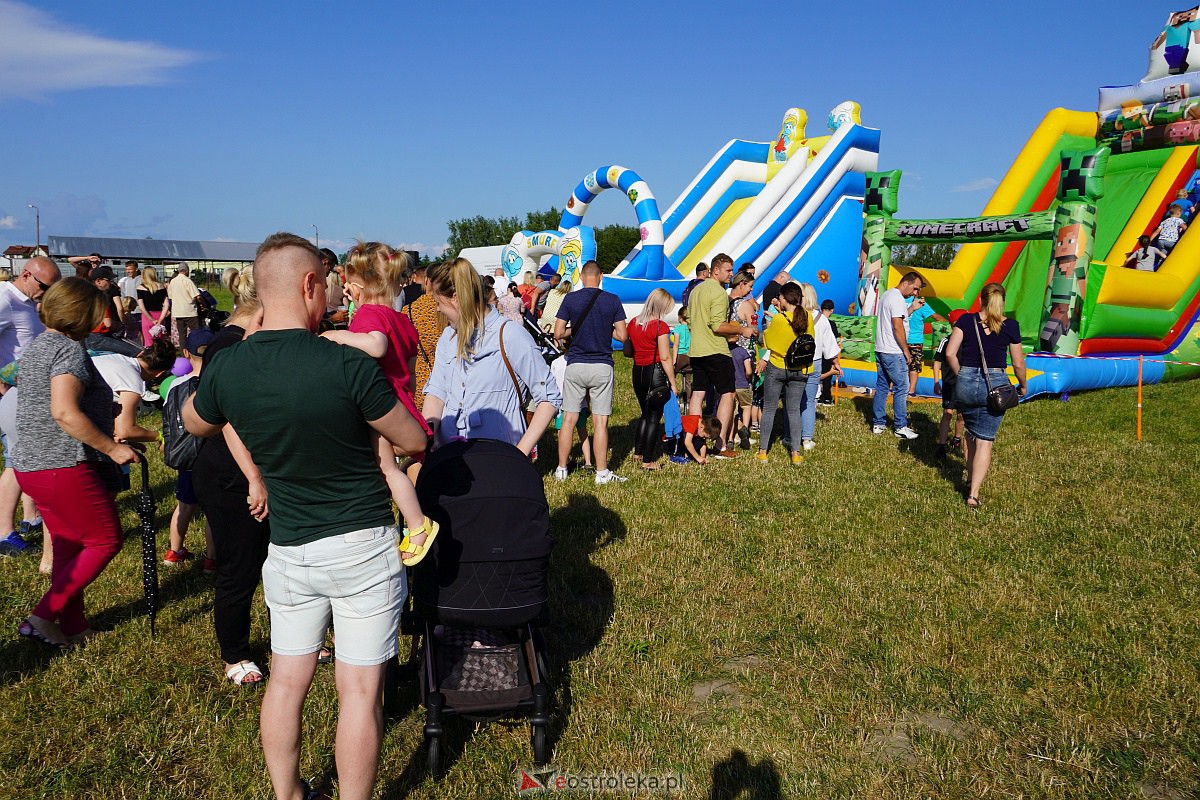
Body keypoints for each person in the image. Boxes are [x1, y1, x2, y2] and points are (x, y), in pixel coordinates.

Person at [184, 232, 428, 800]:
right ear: (309, 284)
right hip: (363, 545)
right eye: (329, 287)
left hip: (289, 549)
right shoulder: (344, 363)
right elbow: (414, 438)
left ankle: (287, 793)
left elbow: (197, 422)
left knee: (288, 682)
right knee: (360, 692)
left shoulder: (229, 367)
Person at [13, 278, 140, 649]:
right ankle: (40, 618)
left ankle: (74, 625)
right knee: (105, 540)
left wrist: (102, 410)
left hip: (31, 466)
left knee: (70, 547)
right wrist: (113, 448)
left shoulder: (40, 345)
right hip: (61, 464)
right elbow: (64, 412)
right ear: (84, 313)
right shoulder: (68, 349)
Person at [322, 241, 439, 564]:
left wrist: (336, 335)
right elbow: (414, 373)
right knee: (386, 468)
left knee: (386, 468)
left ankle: (417, 526)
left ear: (357, 287)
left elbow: (375, 346)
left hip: (380, 405)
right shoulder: (401, 318)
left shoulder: (368, 316)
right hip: (402, 402)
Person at [189, 267, 272, 687]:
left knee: (277, 563)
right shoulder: (228, 346)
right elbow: (224, 418)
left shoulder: (243, 341)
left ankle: (290, 639)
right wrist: (254, 477)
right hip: (229, 474)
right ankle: (235, 653)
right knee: (240, 566)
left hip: (254, 470)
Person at [424, 258, 560, 453]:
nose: (438, 309)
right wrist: (431, 437)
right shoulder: (448, 336)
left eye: (439, 303)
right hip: (450, 459)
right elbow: (437, 392)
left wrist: (519, 454)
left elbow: (549, 398)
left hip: (498, 460)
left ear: (456, 298)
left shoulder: (510, 334)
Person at [944, 282, 1028, 509]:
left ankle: (970, 478)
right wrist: (1023, 385)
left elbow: (950, 353)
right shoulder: (1010, 325)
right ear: (1002, 301)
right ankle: (973, 493)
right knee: (985, 441)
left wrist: (961, 374)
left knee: (971, 434)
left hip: (966, 383)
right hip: (996, 385)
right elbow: (1018, 363)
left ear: (981, 299)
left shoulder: (965, 321)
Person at [0, 256, 62, 557]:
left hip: (29, 393)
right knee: (15, 462)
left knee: (26, 459)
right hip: (12, 394)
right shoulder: (5, 299)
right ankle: (4, 533)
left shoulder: (29, 302)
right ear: (26, 275)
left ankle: (30, 517)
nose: (47, 293)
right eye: (45, 286)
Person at [553, 260, 626, 483]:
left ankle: (562, 469)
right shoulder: (612, 300)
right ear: (601, 276)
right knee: (600, 422)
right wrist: (606, 330)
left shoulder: (570, 299)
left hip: (575, 364)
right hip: (602, 365)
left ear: (582, 277)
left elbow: (558, 333)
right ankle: (601, 472)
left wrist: (574, 329)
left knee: (568, 419)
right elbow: (622, 336)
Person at [687, 253, 753, 457]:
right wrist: (742, 331)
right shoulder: (718, 293)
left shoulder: (695, 291)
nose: (731, 274)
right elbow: (717, 326)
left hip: (697, 350)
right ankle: (720, 445)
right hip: (716, 350)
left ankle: (694, 439)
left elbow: (690, 320)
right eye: (728, 270)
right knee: (728, 394)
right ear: (715, 271)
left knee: (697, 394)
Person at [754, 282, 811, 465]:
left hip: (778, 367)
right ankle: (795, 453)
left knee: (769, 409)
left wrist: (772, 322)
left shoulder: (779, 320)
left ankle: (763, 451)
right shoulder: (807, 317)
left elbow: (768, 341)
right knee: (794, 411)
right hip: (800, 369)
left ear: (784, 299)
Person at [626, 288, 677, 471]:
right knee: (654, 417)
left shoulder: (633, 323)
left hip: (637, 372)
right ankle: (648, 460)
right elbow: (665, 357)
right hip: (655, 374)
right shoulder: (660, 326)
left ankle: (638, 452)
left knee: (645, 414)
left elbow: (628, 351)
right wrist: (672, 381)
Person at [872, 271, 925, 439]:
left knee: (882, 386)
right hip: (893, 351)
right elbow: (897, 326)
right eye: (915, 288)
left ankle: (878, 423)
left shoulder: (887, 295)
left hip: (881, 348)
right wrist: (906, 349)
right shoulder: (896, 299)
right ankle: (900, 426)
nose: (916, 293)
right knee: (902, 387)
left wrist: (911, 309)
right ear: (905, 283)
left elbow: (897, 320)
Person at [799, 282, 840, 449]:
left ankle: (790, 435)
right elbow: (830, 346)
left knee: (792, 401)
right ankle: (807, 438)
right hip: (815, 362)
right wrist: (835, 363)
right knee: (809, 401)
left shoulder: (794, 315)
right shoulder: (822, 319)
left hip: (796, 363)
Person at [931, 331, 965, 460]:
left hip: (964, 383)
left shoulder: (969, 340)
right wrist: (936, 381)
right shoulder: (946, 340)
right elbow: (937, 360)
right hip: (949, 383)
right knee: (948, 413)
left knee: (962, 415)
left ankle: (957, 439)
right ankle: (942, 445)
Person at [904, 289, 945, 398]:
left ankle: (890, 388)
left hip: (901, 339)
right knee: (914, 367)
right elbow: (936, 317)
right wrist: (948, 325)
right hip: (915, 341)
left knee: (898, 365)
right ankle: (911, 391)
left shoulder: (900, 301)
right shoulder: (921, 303)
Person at [167, 262, 203, 344]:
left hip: (178, 312)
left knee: (182, 335)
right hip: (190, 312)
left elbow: (171, 296)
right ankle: (197, 349)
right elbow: (197, 296)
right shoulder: (187, 281)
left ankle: (183, 352)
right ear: (186, 271)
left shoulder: (172, 282)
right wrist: (202, 304)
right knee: (196, 333)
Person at [137, 266, 171, 344]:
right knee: (160, 341)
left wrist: (152, 319)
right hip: (160, 316)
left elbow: (142, 307)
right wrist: (160, 320)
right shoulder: (162, 287)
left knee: (148, 341)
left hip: (147, 316)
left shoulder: (141, 288)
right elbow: (166, 305)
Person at [818, 299, 840, 405]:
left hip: (816, 353)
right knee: (827, 377)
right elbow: (833, 341)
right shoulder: (831, 324)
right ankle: (826, 397)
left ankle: (817, 396)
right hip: (827, 354)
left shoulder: (816, 321)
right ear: (831, 310)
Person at [118, 261, 143, 345]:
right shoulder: (126, 281)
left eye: (130, 269)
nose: (128, 271)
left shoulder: (141, 280)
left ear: (136, 269)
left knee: (139, 331)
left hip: (138, 310)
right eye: (127, 269)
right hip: (129, 311)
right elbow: (124, 295)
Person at [671, 305, 692, 403]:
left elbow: (676, 345)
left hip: (680, 356)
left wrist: (674, 360)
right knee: (688, 380)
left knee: (671, 376)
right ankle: (688, 401)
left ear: (679, 317)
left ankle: (672, 397)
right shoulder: (691, 329)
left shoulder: (678, 329)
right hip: (690, 356)